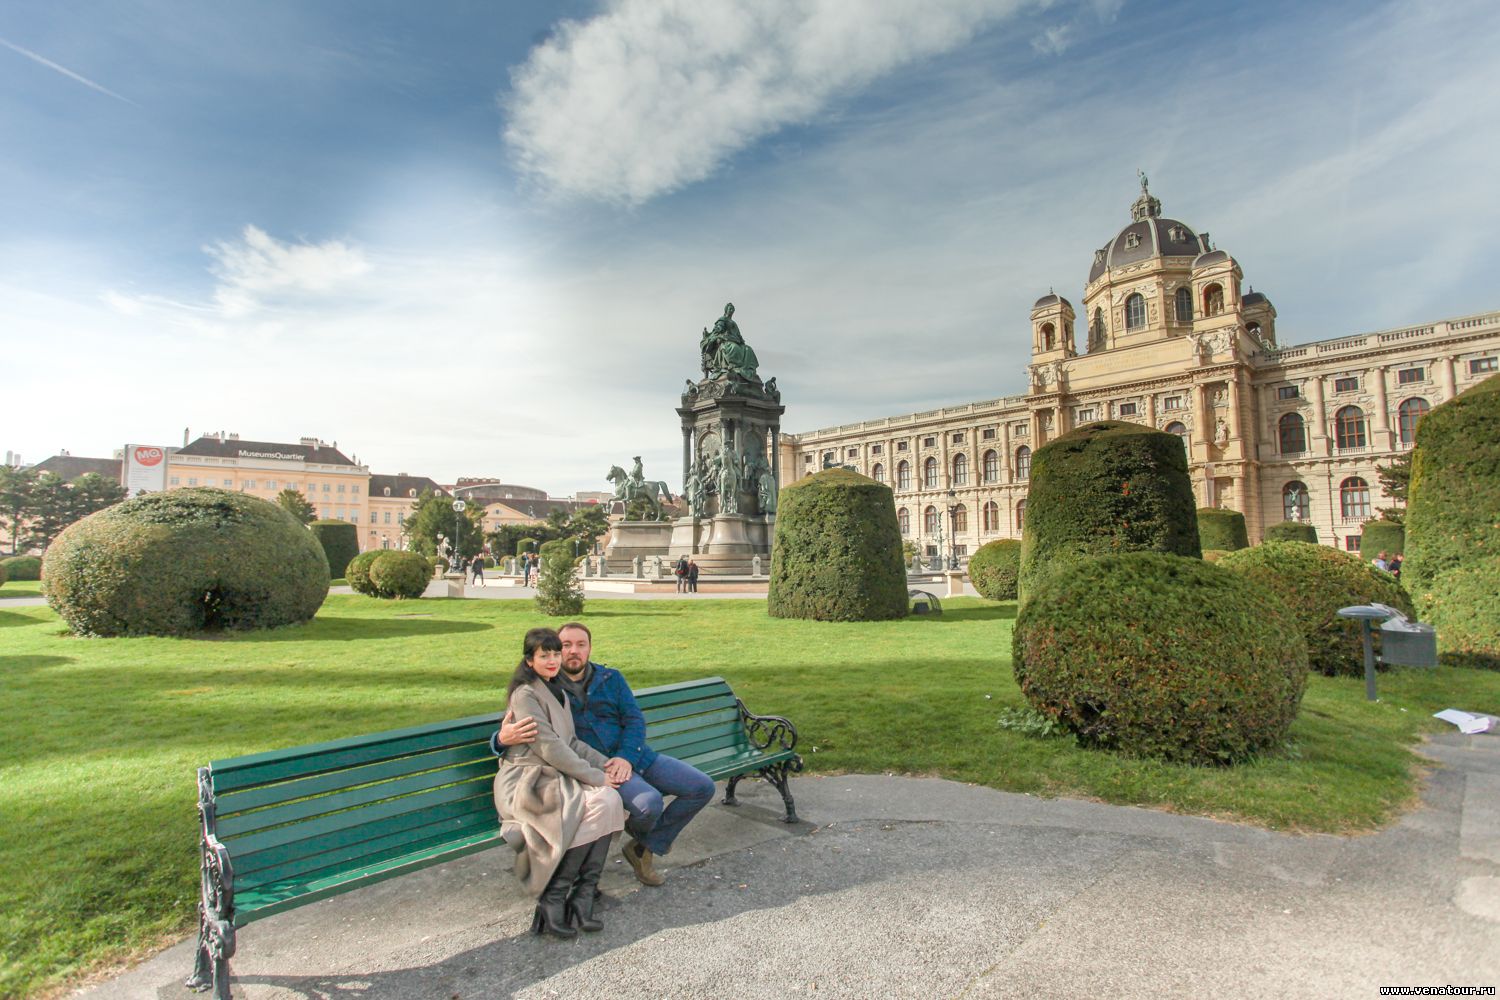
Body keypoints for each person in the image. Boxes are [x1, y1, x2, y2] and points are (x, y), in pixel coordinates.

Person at [497, 623, 716, 887]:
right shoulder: (549, 690)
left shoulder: (610, 679)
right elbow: (532, 731)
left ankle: (643, 847)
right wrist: (498, 740)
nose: (573, 652)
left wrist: (627, 757)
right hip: (598, 766)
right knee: (649, 804)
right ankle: (619, 841)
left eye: (581, 645)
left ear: (590, 648)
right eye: (565, 646)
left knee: (701, 787)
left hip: (634, 756)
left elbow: (635, 719)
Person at [493, 628, 625, 938]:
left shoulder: (557, 692)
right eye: (545, 655)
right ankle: (553, 898)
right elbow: (549, 746)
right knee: (593, 803)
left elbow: (572, 742)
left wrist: (604, 763)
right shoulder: (525, 694)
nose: (553, 660)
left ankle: (582, 896)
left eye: (555, 654)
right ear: (529, 661)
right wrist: (595, 776)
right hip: (528, 781)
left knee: (610, 800)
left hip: (554, 774)